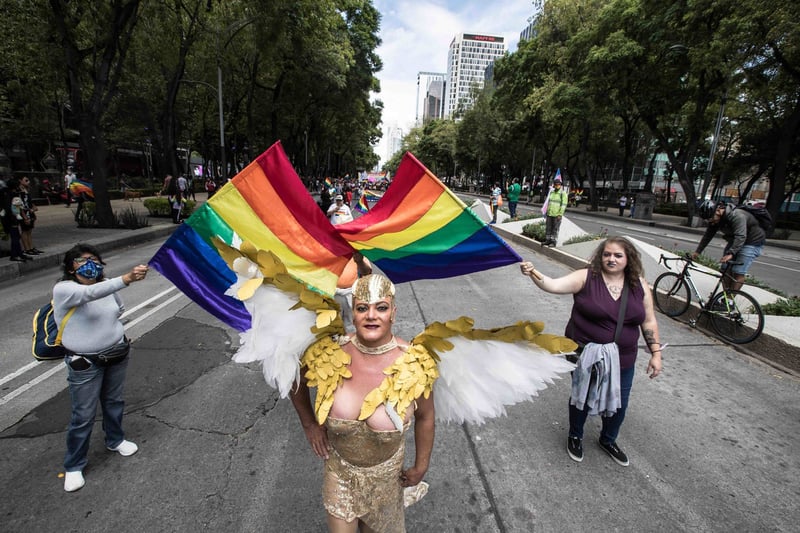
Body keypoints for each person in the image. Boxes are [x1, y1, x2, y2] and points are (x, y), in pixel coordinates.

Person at [289, 274, 436, 532]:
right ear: (353, 313)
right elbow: (293, 376)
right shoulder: (330, 352)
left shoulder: (414, 363)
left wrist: (421, 465)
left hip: (387, 480)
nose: (371, 315)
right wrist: (309, 424)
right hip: (340, 474)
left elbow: (425, 417)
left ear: (393, 313)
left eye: (381, 307)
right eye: (362, 308)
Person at [520, 236, 663, 467]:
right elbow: (553, 285)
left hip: (623, 358)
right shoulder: (586, 277)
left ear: (629, 259)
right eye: (607, 254)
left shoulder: (639, 285)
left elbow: (648, 321)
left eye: (618, 255)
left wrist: (656, 354)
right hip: (585, 355)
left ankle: (608, 440)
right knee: (582, 397)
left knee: (619, 402)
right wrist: (533, 273)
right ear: (600, 256)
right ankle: (575, 435)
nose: (611, 259)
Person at [53, 243, 149, 492]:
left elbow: (118, 310)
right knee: (83, 415)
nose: (90, 264)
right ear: (70, 267)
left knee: (114, 402)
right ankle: (74, 465)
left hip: (117, 355)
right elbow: (89, 295)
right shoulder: (64, 289)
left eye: (94, 259)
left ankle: (115, 440)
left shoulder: (106, 288)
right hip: (85, 364)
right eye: (81, 260)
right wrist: (127, 278)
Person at [693, 199, 766, 291]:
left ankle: (730, 301)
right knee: (725, 269)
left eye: (710, 218)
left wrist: (731, 253)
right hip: (735, 240)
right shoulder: (715, 220)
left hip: (752, 242)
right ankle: (726, 296)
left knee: (738, 271)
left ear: (718, 211)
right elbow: (708, 235)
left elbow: (741, 236)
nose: (709, 221)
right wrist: (698, 251)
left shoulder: (737, 215)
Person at [1, 177, 28, 262]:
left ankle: (19, 253)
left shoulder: (10, 194)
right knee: (15, 237)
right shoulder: (9, 195)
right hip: (10, 219)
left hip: (12, 218)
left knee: (16, 236)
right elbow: (10, 208)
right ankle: (14, 255)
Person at [18, 176, 42, 255]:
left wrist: (33, 207)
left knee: (29, 231)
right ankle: (27, 249)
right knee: (25, 231)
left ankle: (31, 247)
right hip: (25, 213)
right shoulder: (19, 192)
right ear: (20, 181)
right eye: (26, 180)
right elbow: (20, 205)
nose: (28, 182)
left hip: (30, 212)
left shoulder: (26, 190)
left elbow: (29, 201)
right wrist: (24, 216)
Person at [543, 175, 568, 246]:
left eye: (559, 185)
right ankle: (547, 240)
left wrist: (560, 214)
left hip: (557, 215)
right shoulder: (552, 192)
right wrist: (547, 212)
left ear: (560, 185)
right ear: (553, 185)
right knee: (548, 228)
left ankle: (553, 242)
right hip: (550, 213)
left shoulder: (563, 193)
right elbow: (549, 203)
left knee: (555, 229)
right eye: (556, 185)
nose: (557, 186)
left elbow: (563, 205)